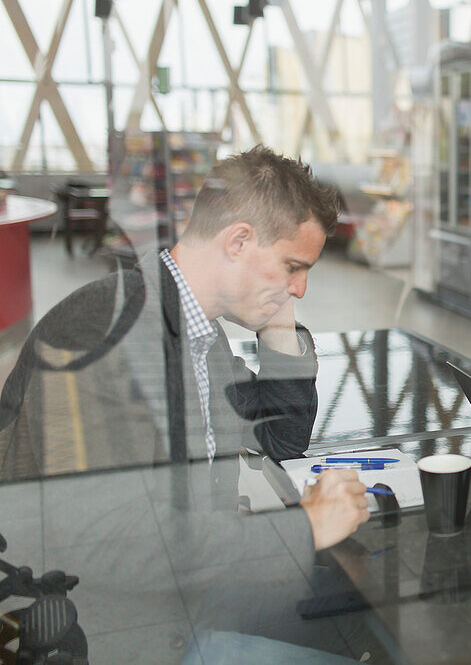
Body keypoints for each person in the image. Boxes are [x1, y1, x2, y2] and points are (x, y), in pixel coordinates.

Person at [0, 145, 369, 562]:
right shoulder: (102, 333)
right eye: (292, 267)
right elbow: (109, 545)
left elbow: (281, 439)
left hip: (179, 598)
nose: (301, 289)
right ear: (239, 240)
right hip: (106, 618)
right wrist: (301, 529)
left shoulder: (198, 331)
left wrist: (279, 328)